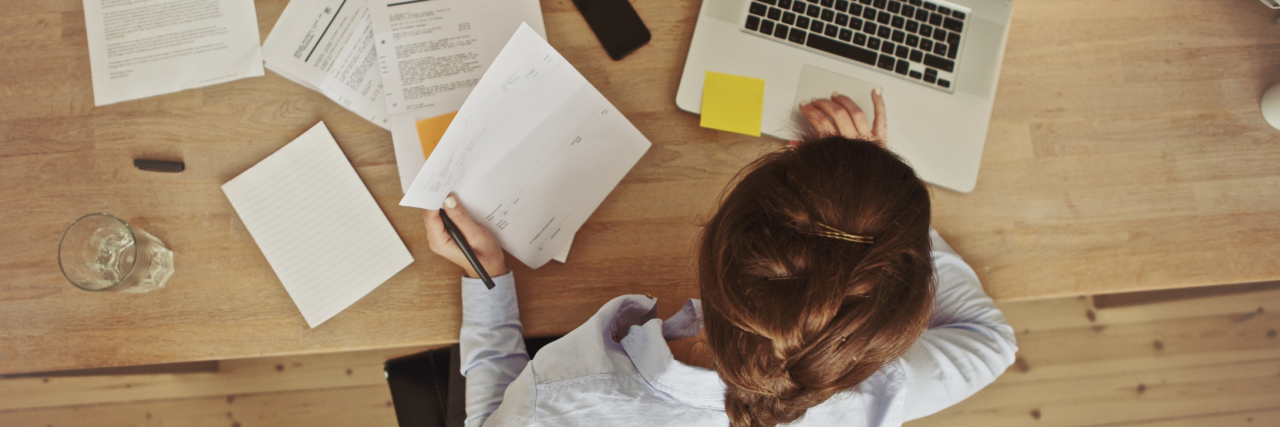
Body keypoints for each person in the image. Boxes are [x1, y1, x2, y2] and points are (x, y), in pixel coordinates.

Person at [421, 91, 1018, 427]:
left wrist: (489, 281)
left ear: (711, 236)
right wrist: (878, 213)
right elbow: (989, 343)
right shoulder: (871, 398)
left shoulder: (564, 395)